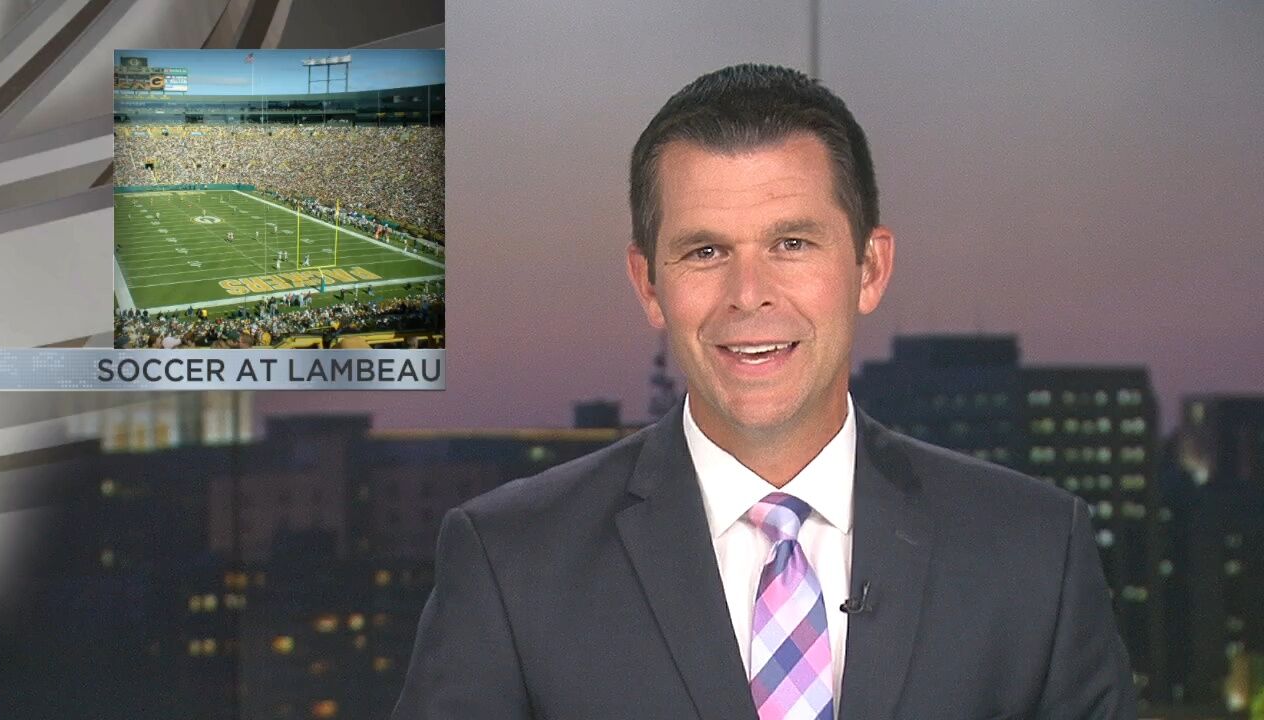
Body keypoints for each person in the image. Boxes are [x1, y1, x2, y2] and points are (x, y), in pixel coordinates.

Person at [394, 64, 1136, 719]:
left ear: (870, 269)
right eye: (705, 251)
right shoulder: (511, 562)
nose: (749, 295)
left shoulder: (1035, 552)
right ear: (648, 284)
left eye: (792, 243)